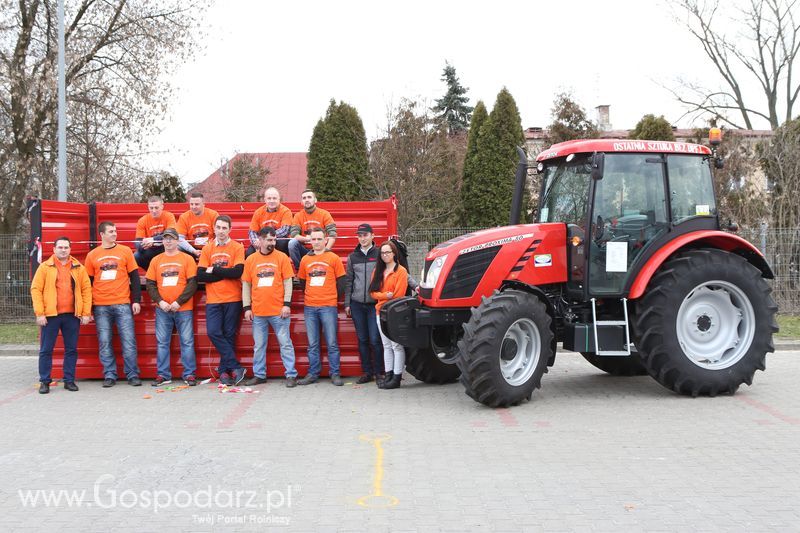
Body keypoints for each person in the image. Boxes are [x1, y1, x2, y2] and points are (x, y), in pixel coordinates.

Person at [30, 237, 92, 394]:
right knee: (46, 350)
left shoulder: (79, 267)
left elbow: (86, 290)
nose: (63, 250)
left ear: (70, 249)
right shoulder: (45, 267)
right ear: (54, 249)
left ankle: (69, 380)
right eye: (60, 247)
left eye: (66, 247)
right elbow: (36, 290)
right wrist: (40, 313)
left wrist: (86, 312)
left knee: (71, 349)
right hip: (50, 316)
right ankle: (45, 381)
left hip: (72, 316)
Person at [85, 221, 142, 387]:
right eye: (110, 231)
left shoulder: (125, 251)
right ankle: (110, 375)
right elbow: (87, 283)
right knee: (104, 342)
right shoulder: (92, 255)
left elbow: (135, 278)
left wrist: (136, 300)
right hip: (100, 305)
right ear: (102, 234)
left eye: (115, 231)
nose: (114, 233)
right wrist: (87, 308)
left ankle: (132, 374)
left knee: (129, 342)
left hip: (123, 304)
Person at [242, 226, 297, 387]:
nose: (272, 242)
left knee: (285, 343)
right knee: (259, 346)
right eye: (269, 240)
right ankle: (259, 374)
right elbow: (246, 284)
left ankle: (291, 374)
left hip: (278, 311)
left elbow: (288, 282)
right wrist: (247, 307)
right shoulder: (251, 260)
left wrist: (287, 304)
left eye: (274, 239)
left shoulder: (282, 257)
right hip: (258, 312)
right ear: (259, 240)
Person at [197, 215, 246, 386]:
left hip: (233, 298)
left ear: (230, 229)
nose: (221, 231)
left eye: (225, 228)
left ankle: (224, 372)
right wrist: (225, 273)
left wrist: (215, 270)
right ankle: (236, 367)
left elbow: (237, 272)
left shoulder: (237, 247)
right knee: (213, 332)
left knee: (229, 335)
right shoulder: (207, 249)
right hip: (213, 300)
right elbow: (200, 275)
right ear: (214, 228)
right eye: (218, 227)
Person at [145, 228, 198, 387]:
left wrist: (179, 302)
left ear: (177, 241)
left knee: (187, 342)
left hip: (183, 308)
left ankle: (189, 374)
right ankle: (163, 375)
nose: (168, 241)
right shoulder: (156, 260)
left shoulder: (187, 259)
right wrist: (160, 302)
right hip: (162, 309)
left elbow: (192, 283)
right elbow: (150, 284)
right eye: (165, 238)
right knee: (162, 342)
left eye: (171, 238)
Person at [296, 228, 345, 386]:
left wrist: (331, 296)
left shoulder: (333, 258)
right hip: (310, 307)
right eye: (314, 239)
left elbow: (342, 282)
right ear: (310, 241)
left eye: (319, 239)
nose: (316, 242)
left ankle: (335, 373)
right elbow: (303, 282)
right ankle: (313, 373)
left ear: (325, 240)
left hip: (328, 306)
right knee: (313, 344)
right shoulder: (305, 260)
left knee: (331, 342)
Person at [344, 223, 383, 385]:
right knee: (362, 340)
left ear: (372, 236)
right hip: (357, 305)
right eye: (360, 236)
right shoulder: (353, 257)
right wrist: (347, 303)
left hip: (374, 304)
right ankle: (367, 372)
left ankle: (380, 373)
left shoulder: (380, 253)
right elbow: (349, 281)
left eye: (365, 235)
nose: (362, 238)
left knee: (375, 339)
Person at [370, 240, 409, 390]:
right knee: (386, 345)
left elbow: (398, 295)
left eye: (388, 252)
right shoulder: (377, 271)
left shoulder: (401, 271)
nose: (385, 255)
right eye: (383, 253)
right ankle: (389, 375)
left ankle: (397, 378)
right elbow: (372, 293)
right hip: (380, 312)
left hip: (395, 313)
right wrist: (386, 295)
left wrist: (383, 296)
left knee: (396, 345)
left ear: (394, 253)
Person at [288, 189, 337, 269]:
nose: (307, 200)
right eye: (304, 198)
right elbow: (294, 235)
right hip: (304, 250)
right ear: (301, 202)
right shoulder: (298, 216)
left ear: (315, 200)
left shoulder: (324, 214)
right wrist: (306, 239)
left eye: (309, 197)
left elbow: (332, 234)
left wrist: (326, 250)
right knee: (292, 243)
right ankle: (300, 270)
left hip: (320, 250)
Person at [247, 187, 293, 257]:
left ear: (279, 199)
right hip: (262, 240)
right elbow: (252, 231)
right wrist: (256, 241)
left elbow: (284, 231)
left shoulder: (286, 211)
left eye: (274, 198)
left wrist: (266, 238)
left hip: (278, 240)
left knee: (282, 244)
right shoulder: (258, 212)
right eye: (269, 198)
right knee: (249, 253)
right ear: (265, 199)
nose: (272, 201)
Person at [134, 196, 177, 270]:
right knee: (136, 256)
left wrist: (153, 240)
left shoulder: (169, 216)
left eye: (156, 208)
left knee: (175, 247)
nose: (154, 210)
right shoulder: (142, 220)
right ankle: (152, 272)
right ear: (148, 207)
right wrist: (145, 244)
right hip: (150, 249)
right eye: (151, 208)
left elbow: (170, 234)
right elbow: (137, 243)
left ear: (162, 207)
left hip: (165, 247)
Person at [176, 192, 219, 259]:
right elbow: (179, 238)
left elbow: (219, 235)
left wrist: (209, 248)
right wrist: (193, 251)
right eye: (191, 204)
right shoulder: (184, 217)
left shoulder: (213, 215)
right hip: (192, 249)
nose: (193, 207)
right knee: (176, 248)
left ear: (203, 204)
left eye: (197, 204)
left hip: (210, 248)